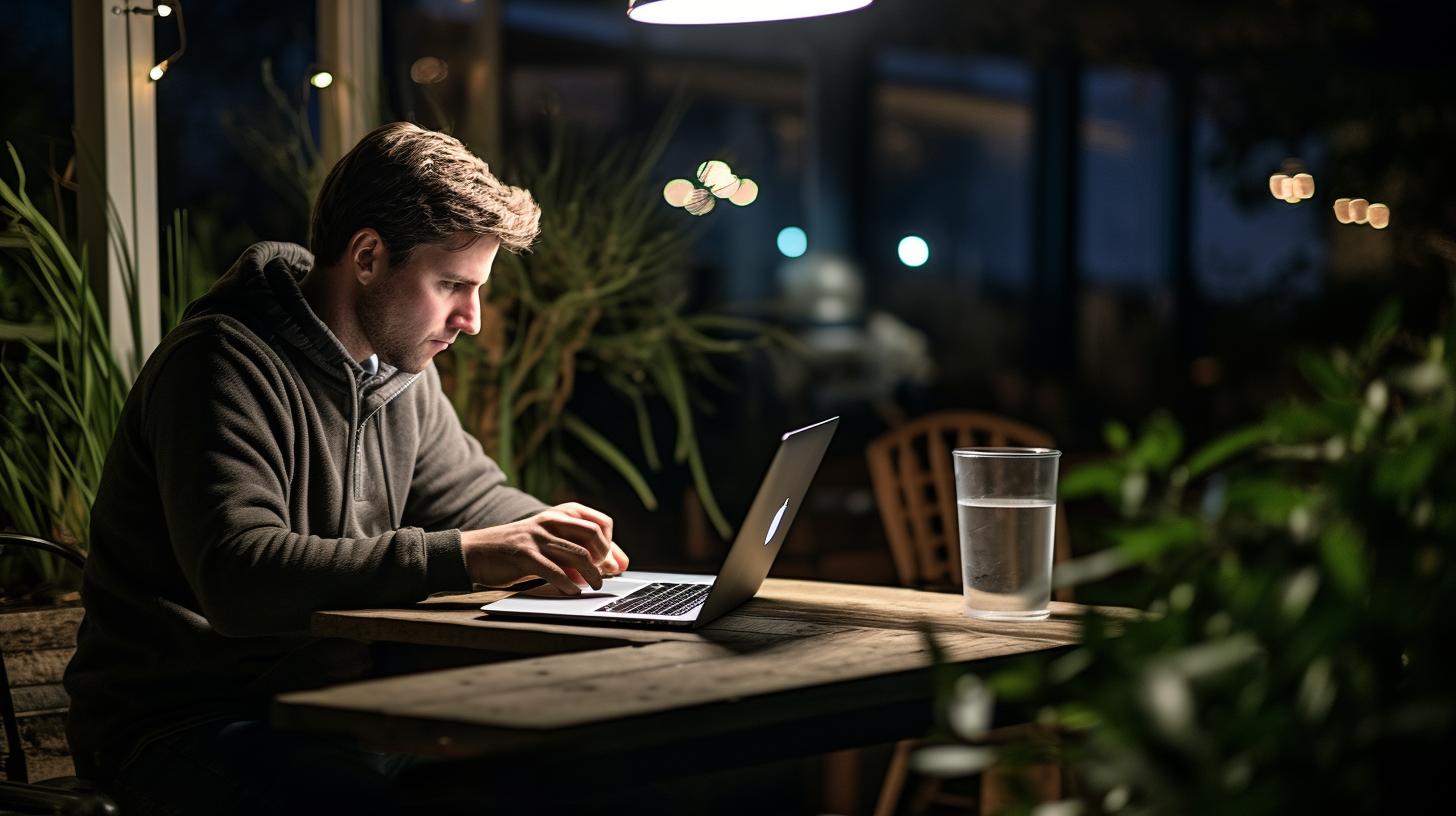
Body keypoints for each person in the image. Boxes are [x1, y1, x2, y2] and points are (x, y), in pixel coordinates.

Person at [62, 122, 628, 813]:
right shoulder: (218, 363)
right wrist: (467, 556)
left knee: (554, 779)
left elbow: (474, 498)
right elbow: (239, 576)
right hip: (182, 726)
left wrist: (560, 538)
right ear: (366, 256)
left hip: (334, 716)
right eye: (452, 284)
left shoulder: (400, 375)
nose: (471, 319)